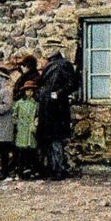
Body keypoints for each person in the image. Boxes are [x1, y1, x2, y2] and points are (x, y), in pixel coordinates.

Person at [37, 38, 80, 181]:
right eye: (46, 47)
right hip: (46, 106)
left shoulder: (63, 65)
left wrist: (59, 94)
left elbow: (73, 83)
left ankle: (59, 169)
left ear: (57, 48)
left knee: (56, 139)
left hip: (56, 108)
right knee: (48, 139)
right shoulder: (49, 65)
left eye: (51, 47)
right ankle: (51, 168)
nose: (47, 50)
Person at [11, 79, 40, 179]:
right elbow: (14, 115)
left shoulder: (35, 104)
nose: (29, 93)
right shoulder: (19, 103)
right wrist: (17, 123)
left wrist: (35, 123)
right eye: (28, 91)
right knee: (21, 151)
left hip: (30, 128)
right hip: (22, 128)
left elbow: (37, 115)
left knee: (31, 151)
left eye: (32, 91)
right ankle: (21, 170)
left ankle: (31, 170)